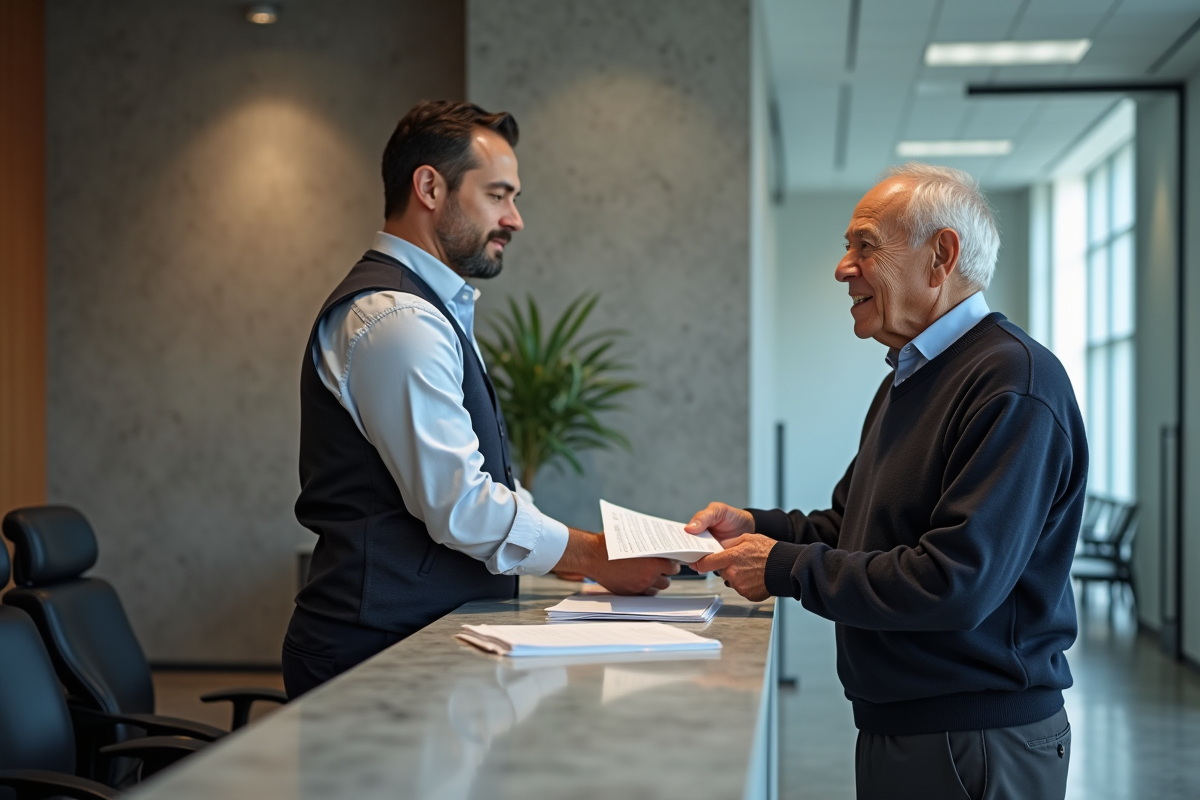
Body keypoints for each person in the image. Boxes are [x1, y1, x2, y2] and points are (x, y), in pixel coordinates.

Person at [687, 163, 1085, 800]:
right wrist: (756, 528)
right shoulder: (910, 375)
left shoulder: (1013, 383)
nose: (843, 267)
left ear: (941, 255)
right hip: (907, 727)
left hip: (973, 741)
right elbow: (851, 528)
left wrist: (783, 566)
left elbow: (954, 584)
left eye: (864, 245)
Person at [283, 101, 677, 698]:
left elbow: (485, 485)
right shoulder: (395, 318)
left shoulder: (428, 310)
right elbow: (462, 507)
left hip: (413, 639)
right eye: (498, 195)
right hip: (372, 653)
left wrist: (587, 558)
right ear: (430, 187)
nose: (514, 219)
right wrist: (597, 557)